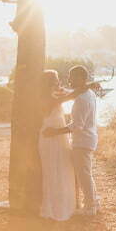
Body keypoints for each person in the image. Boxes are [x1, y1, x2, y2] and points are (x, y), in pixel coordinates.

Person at [43, 65, 99, 216]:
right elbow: (70, 93)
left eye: (71, 77)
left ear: (80, 78)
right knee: (86, 173)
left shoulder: (81, 99)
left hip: (82, 140)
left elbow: (77, 126)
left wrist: (55, 132)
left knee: (83, 175)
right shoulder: (89, 93)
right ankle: (94, 203)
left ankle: (90, 207)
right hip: (88, 138)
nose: (68, 80)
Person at [37, 70, 77, 221]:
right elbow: (72, 96)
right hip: (50, 138)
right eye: (56, 78)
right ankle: (54, 208)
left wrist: (61, 88)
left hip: (58, 137)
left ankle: (61, 205)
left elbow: (67, 93)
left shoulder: (53, 95)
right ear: (50, 82)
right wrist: (88, 86)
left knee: (61, 169)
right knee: (53, 172)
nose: (59, 81)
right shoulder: (47, 98)